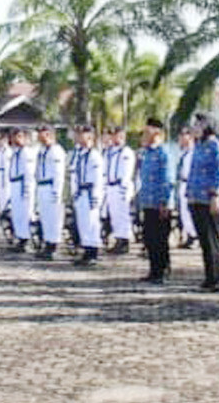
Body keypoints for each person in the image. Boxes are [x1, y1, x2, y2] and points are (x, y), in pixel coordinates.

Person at [187, 115, 219, 291]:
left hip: (208, 199)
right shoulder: (199, 146)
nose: (195, 127)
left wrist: (215, 195)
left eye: (198, 124)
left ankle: (215, 276)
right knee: (204, 239)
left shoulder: (215, 146)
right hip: (195, 197)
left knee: (211, 239)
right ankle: (209, 274)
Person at [138, 118, 172, 283]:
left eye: (148, 131)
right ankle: (153, 270)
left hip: (160, 203)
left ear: (157, 132)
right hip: (148, 201)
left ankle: (162, 270)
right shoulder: (147, 153)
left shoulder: (163, 153)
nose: (144, 134)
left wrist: (164, 202)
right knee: (149, 237)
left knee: (160, 239)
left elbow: (167, 179)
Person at [71, 125, 103, 267]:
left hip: (90, 192)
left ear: (89, 137)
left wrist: (95, 196)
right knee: (83, 223)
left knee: (91, 223)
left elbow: (97, 178)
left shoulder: (94, 155)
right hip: (81, 192)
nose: (78, 137)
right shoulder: (80, 154)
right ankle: (86, 250)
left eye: (81, 134)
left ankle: (93, 252)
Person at [33, 124, 67, 261]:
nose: (40, 136)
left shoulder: (56, 151)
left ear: (50, 135)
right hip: (42, 186)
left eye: (43, 133)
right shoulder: (42, 150)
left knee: (54, 219)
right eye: (40, 133)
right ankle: (47, 243)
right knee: (45, 218)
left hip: (50, 186)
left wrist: (56, 192)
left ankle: (53, 246)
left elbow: (59, 174)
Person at [103, 126, 136, 256]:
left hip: (120, 186)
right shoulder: (109, 152)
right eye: (112, 135)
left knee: (122, 214)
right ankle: (118, 238)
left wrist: (124, 187)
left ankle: (124, 241)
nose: (113, 138)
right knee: (114, 215)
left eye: (116, 135)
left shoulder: (126, 152)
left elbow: (126, 172)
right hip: (110, 186)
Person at [7, 129, 37, 253]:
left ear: (26, 138)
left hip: (22, 185)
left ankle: (25, 240)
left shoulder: (27, 153)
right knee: (17, 213)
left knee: (25, 213)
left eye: (20, 136)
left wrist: (27, 189)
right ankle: (20, 238)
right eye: (15, 136)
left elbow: (29, 173)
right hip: (14, 184)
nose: (16, 139)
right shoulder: (16, 152)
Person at [175, 128, 197, 249]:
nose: (181, 138)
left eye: (184, 135)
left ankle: (194, 236)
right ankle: (189, 235)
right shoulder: (183, 153)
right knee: (184, 213)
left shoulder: (195, 153)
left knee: (190, 212)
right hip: (183, 183)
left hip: (191, 183)